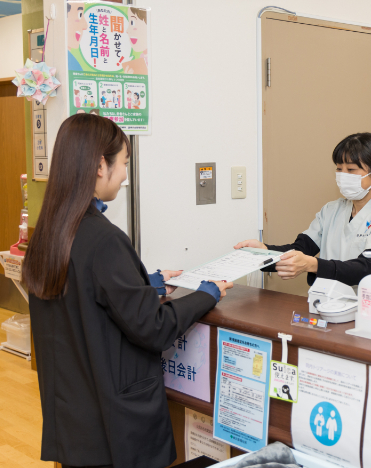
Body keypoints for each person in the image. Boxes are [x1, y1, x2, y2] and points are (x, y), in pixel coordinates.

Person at [23, 114, 231, 468]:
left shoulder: (49, 232)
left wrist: (144, 283)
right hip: (111, 422)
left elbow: (82, 295)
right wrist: (207, 293)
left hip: (73, 413)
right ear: (99, 165)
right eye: (123, 163)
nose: (124, 175)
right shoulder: (103, 239)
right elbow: (154, 327)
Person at [235, 132, 371, 286]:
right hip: (325, 302)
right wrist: (263, 251)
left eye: (351, 169)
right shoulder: (331, 210)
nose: (343, 175)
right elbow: (301, 250)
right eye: (339, 169)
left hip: (369, 307)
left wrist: (312, 264)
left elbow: (366, 268)